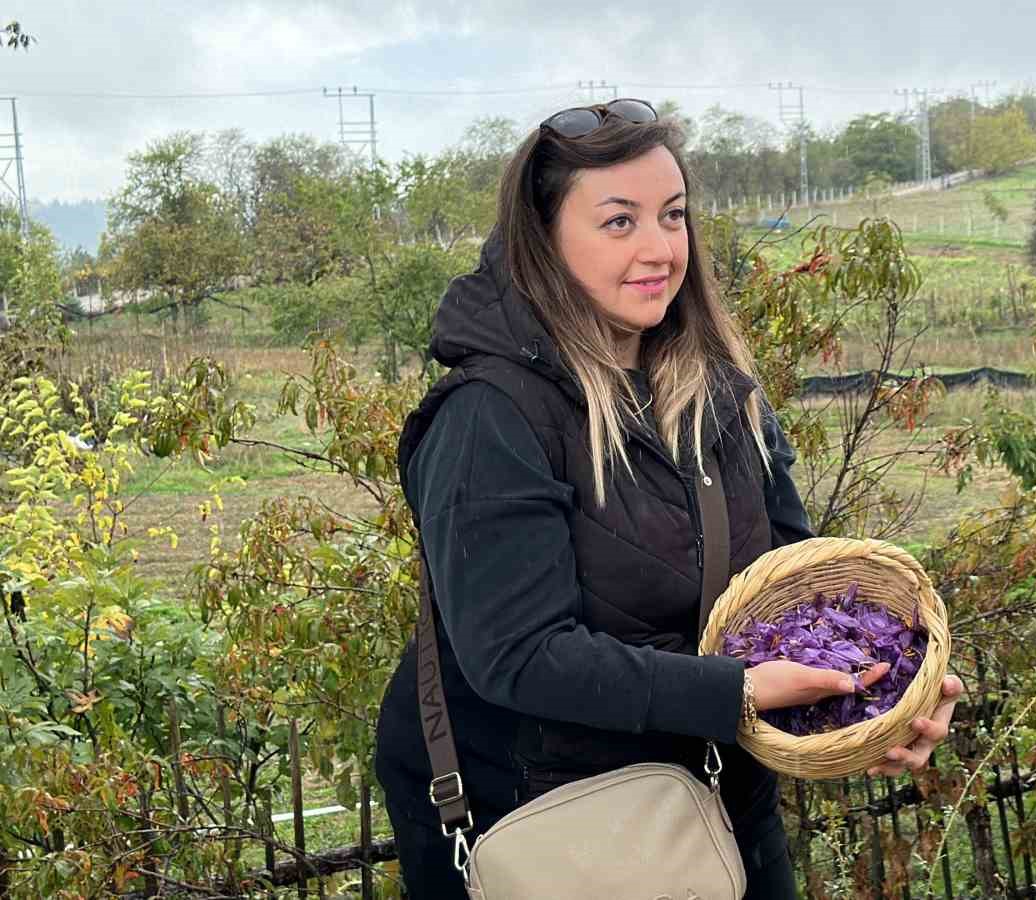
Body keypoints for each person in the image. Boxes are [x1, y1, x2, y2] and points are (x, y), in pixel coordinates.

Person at [373, 98, 964, 899]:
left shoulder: (718, 393)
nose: (659, 248)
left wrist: (876, 698)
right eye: (619, 222)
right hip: (554, 824)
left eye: (674, 216)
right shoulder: (491, 418)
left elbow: (796, 593)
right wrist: (738, 691)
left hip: (721, 804)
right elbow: (518, 655)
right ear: (542, 241)